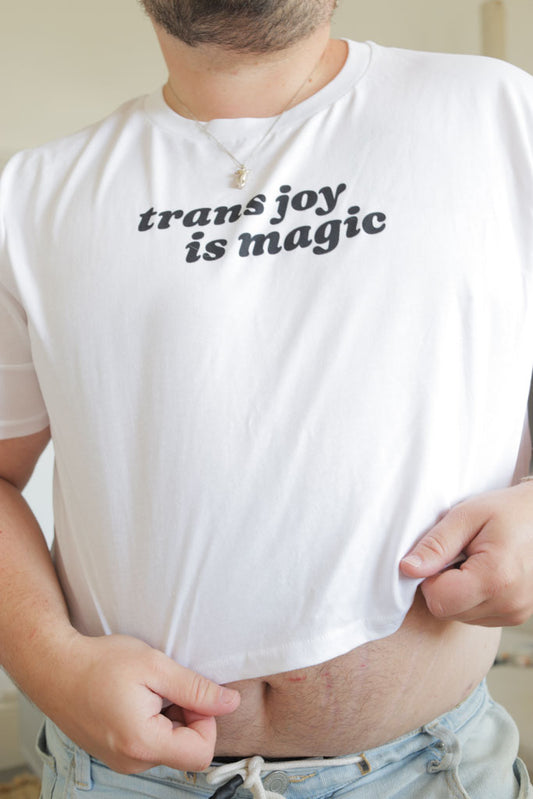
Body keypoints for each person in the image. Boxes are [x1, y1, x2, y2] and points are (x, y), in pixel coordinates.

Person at [1, 1, 533, 796]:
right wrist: (51, 663)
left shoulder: (500, 112)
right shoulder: (33, 195)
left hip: (428, 769)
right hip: (121, 780)